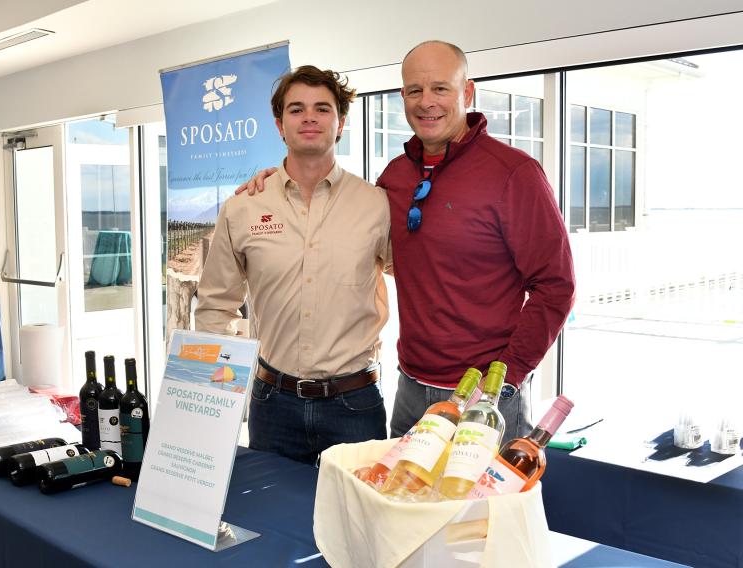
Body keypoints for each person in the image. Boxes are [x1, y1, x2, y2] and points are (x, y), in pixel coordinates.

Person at [238, 41, 575, 442]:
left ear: (467, 93)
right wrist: (279, 182)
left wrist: (506, 378)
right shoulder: (395, 178)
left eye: (441, 88)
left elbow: (556, 286)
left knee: (481, 507)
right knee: (401, 501)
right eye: (415, 90)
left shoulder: (515, 173)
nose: (426, 102)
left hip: (485, 397)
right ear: (403, 97)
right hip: (410, 393)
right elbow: (344, 227)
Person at [195, 65, 391, 464]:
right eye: (297, 109)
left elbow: (419, 276)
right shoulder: (243, 206)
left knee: (358, 525)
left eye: (322, 108)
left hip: (355, 405)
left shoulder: (376, 204)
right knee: (270, 517)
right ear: (279, 124)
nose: (309, 118)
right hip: (273, 403)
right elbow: (215, 306)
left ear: (340, 123)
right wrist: (215, 399)